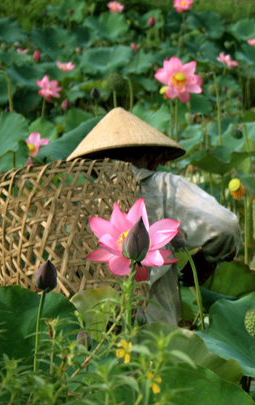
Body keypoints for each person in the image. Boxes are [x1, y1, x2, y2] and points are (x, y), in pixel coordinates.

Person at [67, 107, 242, 326]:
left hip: (95, 329)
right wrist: (205, 261)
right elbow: (225, 226)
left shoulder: (79, 201)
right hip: (155, 330)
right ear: (152, 156)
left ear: (93, 163)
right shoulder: (165, 186)